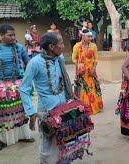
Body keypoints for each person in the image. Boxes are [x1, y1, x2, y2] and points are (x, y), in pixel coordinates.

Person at [20, 32, 93, 163]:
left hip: (63, 109)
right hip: (46, 111)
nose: (63, 46)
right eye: (61, 43)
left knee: (64, 141)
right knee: (47, 145)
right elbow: (24, 89)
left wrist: (72, 97)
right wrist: (31, 112)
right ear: (52, 47)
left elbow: (63, 82)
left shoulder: (60, 59)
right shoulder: (34, 63)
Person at [0, 24, 34, 152]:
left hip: (17, 85)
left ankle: (22, 136)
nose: (13, 37)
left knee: (20, 112)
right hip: (0, 87)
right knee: (2, 114)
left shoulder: (19, 47)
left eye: (14, 35)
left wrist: (26, 81)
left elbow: (29, 64)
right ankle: (2, 140)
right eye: (10, 35)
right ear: (1, 35)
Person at [72, 29, 103, 115]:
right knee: (84, 89)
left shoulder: (93, 46)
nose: (90, 38)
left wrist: (93, 68)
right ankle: (86, 108)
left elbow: (96, 58)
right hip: (82, 72)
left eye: (91, 36)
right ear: (83, 36)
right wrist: (79, 65)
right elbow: (74, 58)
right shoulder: (77, 46)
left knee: (94, 87)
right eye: (88, 36)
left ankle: (95, 106)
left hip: (91, 71)